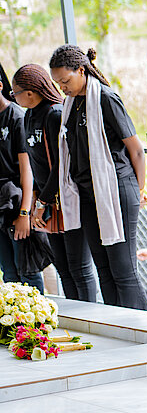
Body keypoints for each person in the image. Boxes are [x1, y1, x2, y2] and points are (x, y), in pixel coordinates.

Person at [49, 45, 147, 310]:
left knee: (123, 270)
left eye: (65, 81)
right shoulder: (71, 104)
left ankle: (143, 327)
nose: (62, 88)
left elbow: (137, 150)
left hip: (116, 189)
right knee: (104, 269)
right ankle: (117, 326)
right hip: (86, 193)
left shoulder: (105, 98)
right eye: (58, 83)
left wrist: (139, 190)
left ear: (81, 70)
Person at [11, 64, 95, 301]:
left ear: (30, 93)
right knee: (63, 266)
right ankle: (76, 315)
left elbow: (62, 165)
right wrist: (36, 197)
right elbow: (34, 162)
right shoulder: (29, 116)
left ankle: (90, 314)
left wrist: (43, 201)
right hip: (46, 202)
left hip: (66, 200)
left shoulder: (54, 114)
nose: (14, 97)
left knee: (79, 267)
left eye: (15, 93)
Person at [0, 62, 42, 293]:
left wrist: (25, 212)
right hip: (0, 207)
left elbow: (27, 169)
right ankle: (16, 317)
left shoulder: (16, 116)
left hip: (16, 204)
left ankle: (37, 315)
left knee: (28, 271)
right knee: (9, 272)